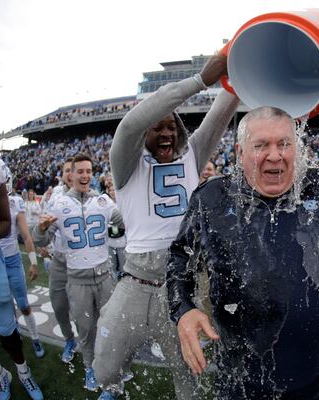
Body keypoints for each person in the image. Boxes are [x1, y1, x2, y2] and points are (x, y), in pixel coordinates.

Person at [166, 106, 319, 399]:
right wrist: (184, 309)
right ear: (240, 152)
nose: (275, 155)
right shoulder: (212, 198)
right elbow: (179, 260)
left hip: (312, 371)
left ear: (297, 148)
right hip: (238, 376)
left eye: (284, 144)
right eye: (261, 145)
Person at [92, 53, 240, 400]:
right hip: (135, 283)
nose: (166, 132)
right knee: (105, 370)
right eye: (158, 126)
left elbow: (221, 114)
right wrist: (199, 81)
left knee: (188, 375)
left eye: (171, 126)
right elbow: (128, 126)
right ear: (146, 133)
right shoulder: (126, 166)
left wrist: (241, 74)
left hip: (181, 285)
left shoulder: (193, 154)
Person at [33, 153, 121, 392]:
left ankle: (112, 367)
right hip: (77, 280)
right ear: (70, 175)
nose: (85, 176)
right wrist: (40, 228)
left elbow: (124, 222)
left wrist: (123, 202)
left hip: (104, 276)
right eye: (79, 171)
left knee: (109, 324)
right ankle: (90, 367)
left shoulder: (102, 201)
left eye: (88, 171)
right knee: (85, 328)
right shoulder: (59, 204)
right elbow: (40, 238)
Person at [0, 159, 43, 400]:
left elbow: (23, 234)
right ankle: (2, 372)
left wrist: (33, 261)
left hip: (10, 261)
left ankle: (34, 340)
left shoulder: (13, 201)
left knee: (22, 306)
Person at [41, 157, 78, 363]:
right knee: (59, 305)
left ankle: (93, 349)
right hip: (58, 259)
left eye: (75, 170)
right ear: (62, 174)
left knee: (86, 310)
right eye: (66, 170)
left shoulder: (89, 195)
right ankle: (69, 340)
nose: (71, 174)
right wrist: (43, 244)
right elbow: (44, 224)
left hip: (81, 262)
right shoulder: (54, 196)